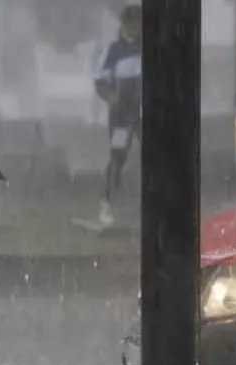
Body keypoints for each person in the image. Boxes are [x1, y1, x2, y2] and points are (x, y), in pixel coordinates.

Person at [93, 3, 142, 227]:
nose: (135, 27)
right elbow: (100, 81)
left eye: (138, 24)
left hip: (144, 113)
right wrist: (110, 96)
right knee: (118, 156)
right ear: (123, 24)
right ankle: (106, 203)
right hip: (121, 114)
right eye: (131, 23)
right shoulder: (114, 50)